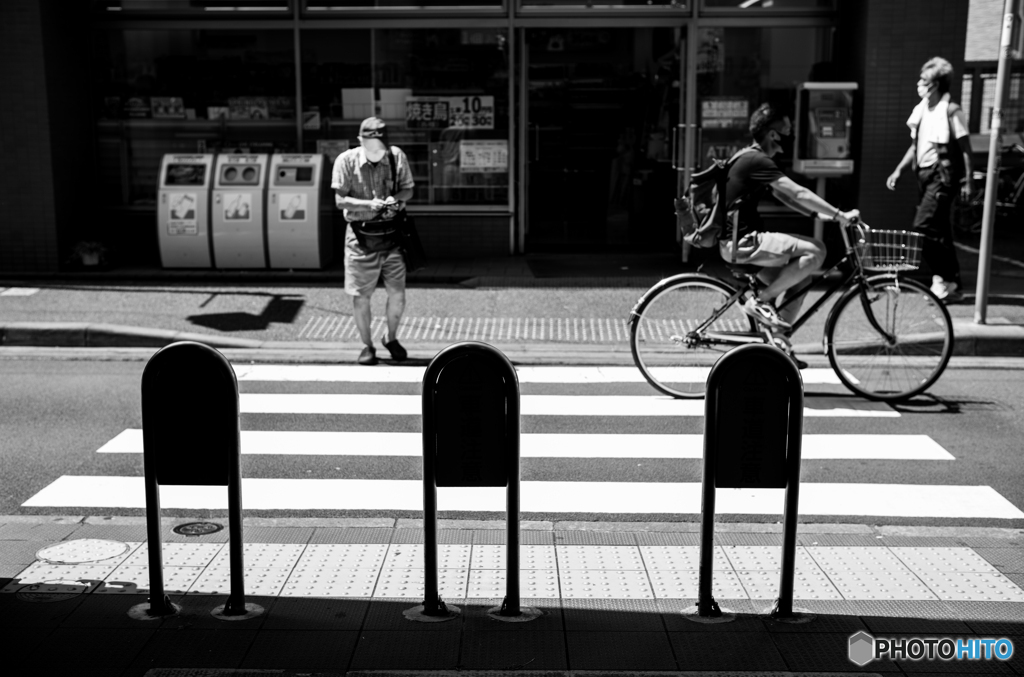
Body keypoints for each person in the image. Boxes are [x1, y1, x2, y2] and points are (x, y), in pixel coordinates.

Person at [721, 103, 859, 336]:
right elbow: (798, 193)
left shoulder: (748, 156)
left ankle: (779, 343)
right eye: (787, 129)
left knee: (799, 282)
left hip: (736, 244)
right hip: (744, 243)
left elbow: (784, 197)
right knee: (816, 251)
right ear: (774, 134)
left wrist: (820, 215)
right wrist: (841, 215)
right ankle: (761, 301)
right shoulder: (757, 160)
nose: (791, 134)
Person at [886, 56, 972, 304]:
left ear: (935, 84)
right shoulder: (922, 110)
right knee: (941, 231)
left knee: (922, 226)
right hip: (923, 176)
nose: (919, 84)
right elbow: (915, 146)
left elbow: (966, 148)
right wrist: (898, 171)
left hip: (942, 177)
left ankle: (944, 277)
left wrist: (968, 182)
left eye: (923, 80)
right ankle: (950, 283)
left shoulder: (951, 111)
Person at [332, 117, 415, 365]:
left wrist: (396, 200)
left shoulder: (395, 155)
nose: (379, 150)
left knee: (398, 294)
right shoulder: (346, 160)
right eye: (373, 145)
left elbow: (408, 189)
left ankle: (391, 337)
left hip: (392, 236)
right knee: (361, 296)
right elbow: (339, 200)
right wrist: (370, 204)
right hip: (360, 236)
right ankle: (366, 345)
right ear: (361, 140)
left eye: (382, 144)